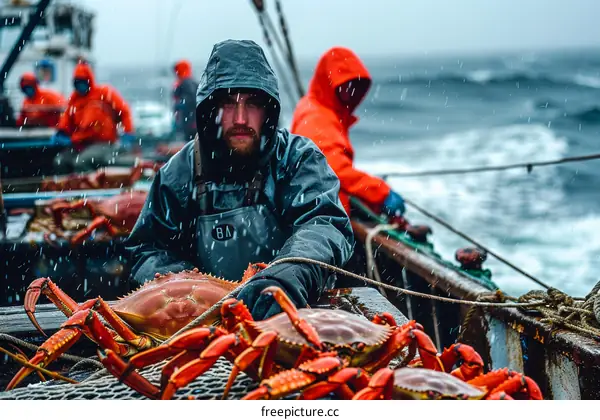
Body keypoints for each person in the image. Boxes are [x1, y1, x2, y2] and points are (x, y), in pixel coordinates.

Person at [125, 40, 354, 321]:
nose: (242, 118)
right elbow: (146, 248)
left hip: (292, 317)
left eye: (253, 103)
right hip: (202, 325)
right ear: (211, 110)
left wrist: (286, 278)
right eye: (229, 104)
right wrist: (185, 291)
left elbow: (324, 224)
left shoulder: (297, 159)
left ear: (268, 110)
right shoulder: (178, 173)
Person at [290, 46, 406, 220]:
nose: (351, 90)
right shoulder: (316, 116)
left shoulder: (322, 109)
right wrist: (380, 192)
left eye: (356, 85)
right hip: (321, 219)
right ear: (328, 81)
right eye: (345, 84)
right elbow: (332, 168)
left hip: (323, 210)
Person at [52, 61, 136, 173]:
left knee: (81, 162)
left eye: (83, 81)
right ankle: (67, 188)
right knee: (60, 162)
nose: (81, 85)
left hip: (103, 144)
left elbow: (124, 111)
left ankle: (91, 187)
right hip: (80, 145)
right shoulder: (74, 100)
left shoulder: (104, 93)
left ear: (89, 80)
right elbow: (66, 121)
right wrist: (61, 133)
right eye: (77, 82)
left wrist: (128, 133)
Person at [172, 59, 198, 141]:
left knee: (190, 142)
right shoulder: (192, 82)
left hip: (190, 121)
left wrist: (179, 105)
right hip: (191, 120)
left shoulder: (186, 83)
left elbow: (191, 100)